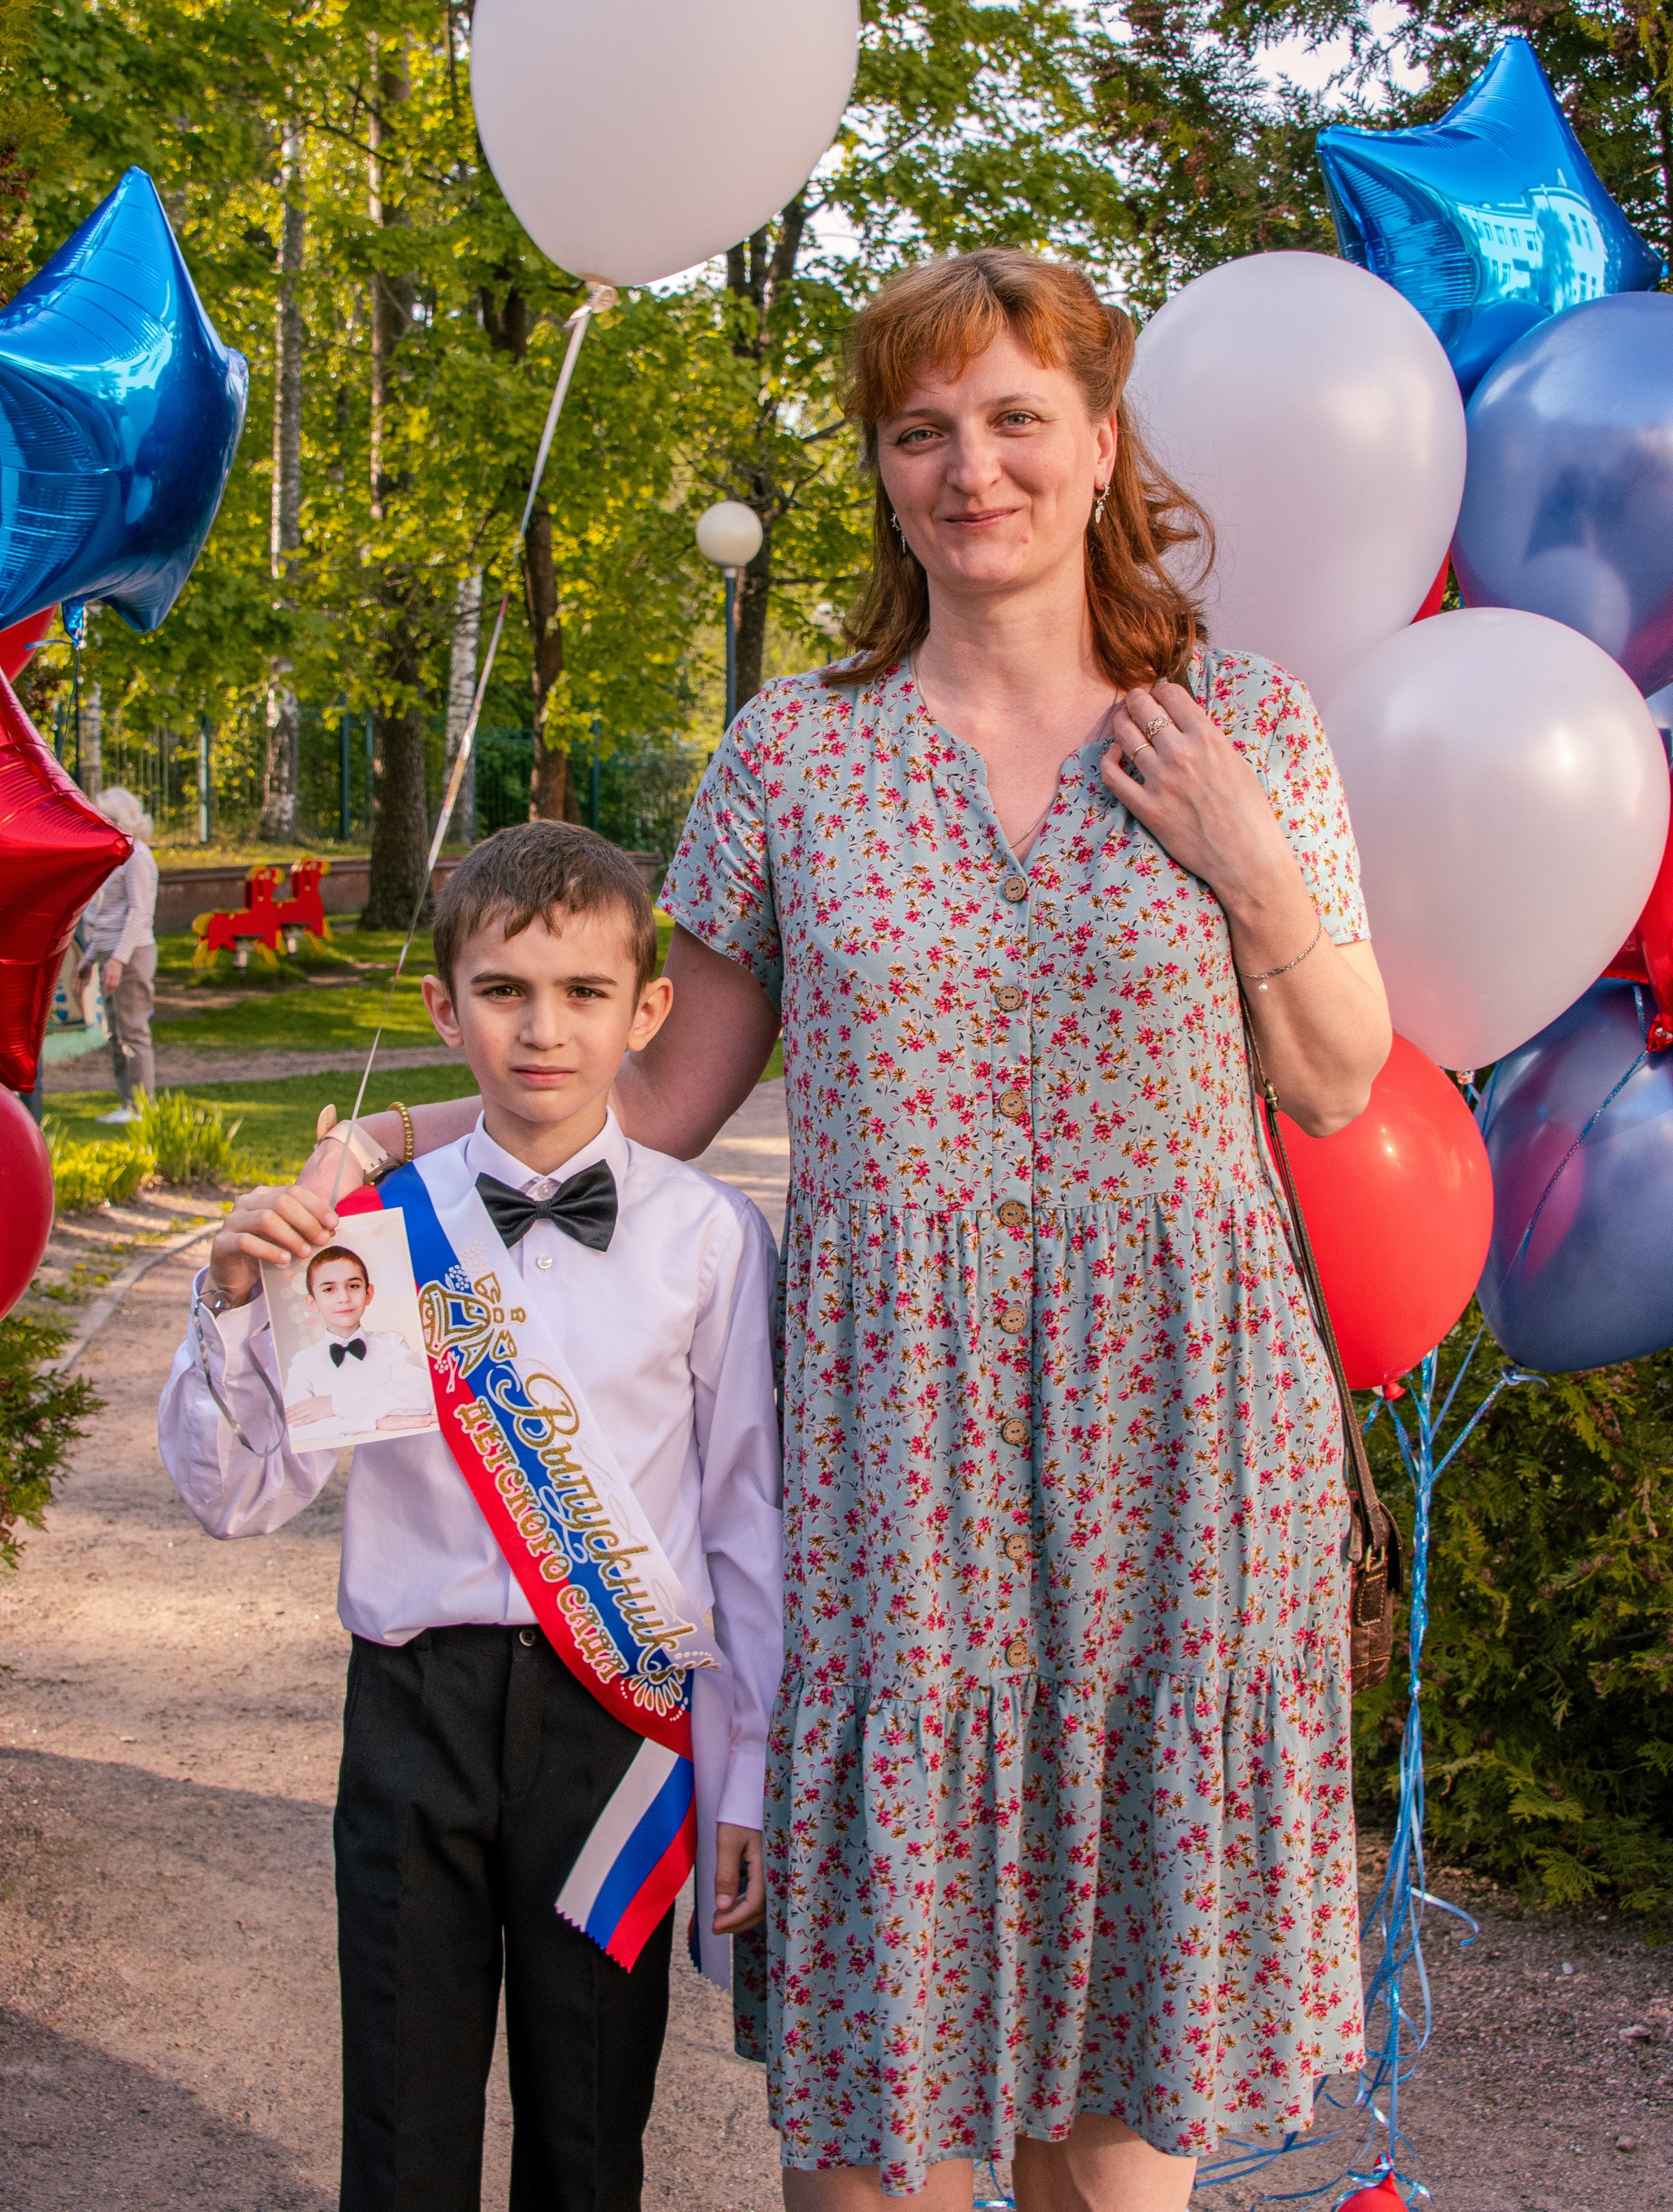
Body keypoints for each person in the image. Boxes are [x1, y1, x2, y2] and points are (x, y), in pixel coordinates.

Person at [334, 252, 1394, 2209]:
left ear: (1098, 447)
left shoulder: (1240, 719)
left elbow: (1333, 1082)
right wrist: (376, 1147)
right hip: (897, 1449)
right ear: (886, 473)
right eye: (923, 432)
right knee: (885, 2106)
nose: (968, 466)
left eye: (1011, 420)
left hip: (1180, 1432)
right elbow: (649, 1107)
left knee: (1117, 2111)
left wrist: (1253, 864)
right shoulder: (794, 757)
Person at [159, 822, 783, 2212]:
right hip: (413, 1721)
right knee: (402, 2134)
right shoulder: (376, 1236)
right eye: (503, 991)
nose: (541, 1029)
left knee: (586, 2142)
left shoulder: (710, 1239)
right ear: (445, 1009)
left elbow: (747, 1532)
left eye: (580, 992)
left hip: (617, 1729)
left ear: (647, 1010)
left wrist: (744, 1780)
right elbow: (245, 1497)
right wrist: (231, 1308)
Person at [280, 1242, 435, 1437]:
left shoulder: (392, 1344)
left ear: (368, 1294)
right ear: (312, 1302)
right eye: (329, 1290)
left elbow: (421, 1396)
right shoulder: (304, 1362)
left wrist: (333, 1405)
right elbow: (297, 1429)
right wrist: (375, 1423)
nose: (344, 1298)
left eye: (353, 1286)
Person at [77, 783, 160, 1122]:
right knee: (116, 1032)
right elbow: (107, 917)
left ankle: (141, 1108)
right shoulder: (119, 856)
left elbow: (139, 913)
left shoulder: (138, 858)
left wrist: (117, 960)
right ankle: (128, 1103)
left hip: (131, 954)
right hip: (112, 951)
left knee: (133, 1031)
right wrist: (89, 959)